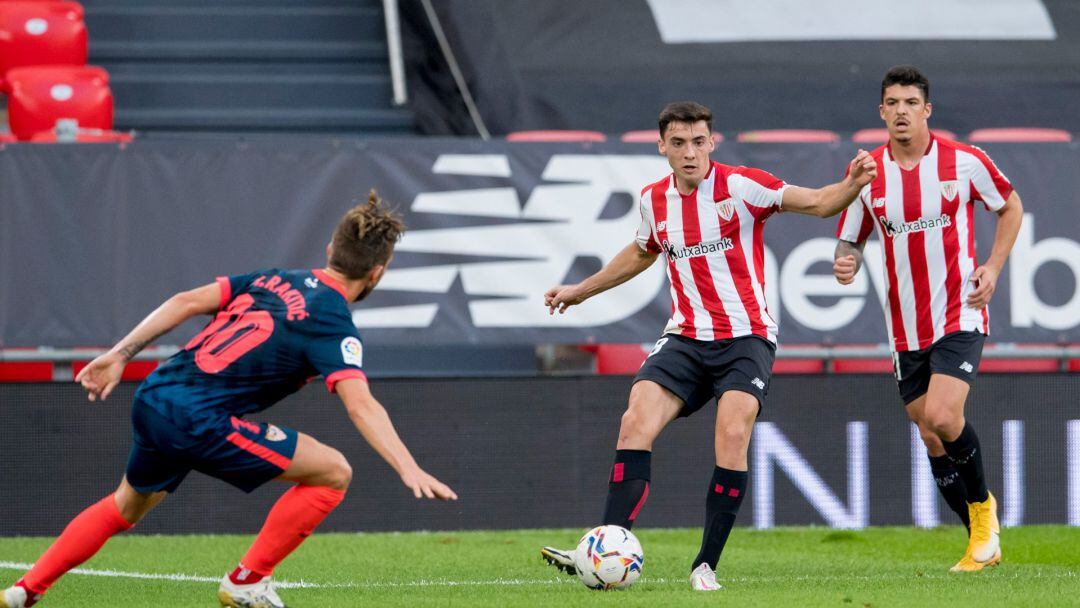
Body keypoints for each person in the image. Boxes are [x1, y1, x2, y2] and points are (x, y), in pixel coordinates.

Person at [1, 192, 458, 608]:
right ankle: (247, 581)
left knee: (125, 505)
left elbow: (185, 300)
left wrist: (120, 354)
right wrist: (407, 466)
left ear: (329, 252)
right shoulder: (332, 321)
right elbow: (361, 404)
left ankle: (24, 591)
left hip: (155, 395)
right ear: (377, 272)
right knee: (333, 473)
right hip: (196, 419)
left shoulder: (274, 279)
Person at [539, 101, 877, 591]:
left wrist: (852, 185)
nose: (690, 152)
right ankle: (605, 547)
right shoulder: (654, 200)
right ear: (663, 147)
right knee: (635, 419)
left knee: (733, 428)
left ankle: (705, 565)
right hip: (686, 337)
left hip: (746, 337)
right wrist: (579, 290)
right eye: (678, 143)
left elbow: (820, 203)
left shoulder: (741, 186)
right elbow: (641, 252)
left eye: (699, 141)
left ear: (712, 142)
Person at [833, 66, 1023, 572]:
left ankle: (983, 513)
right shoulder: (868, 172)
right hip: (905, 328)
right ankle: (981, 544)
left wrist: (994, 268)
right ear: (881, 111)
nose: (901, 111)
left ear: (927, 110)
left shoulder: (963, 162)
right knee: (930, 431)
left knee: (943, 415)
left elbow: (1010, 206)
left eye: (910, 102)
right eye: (892, 102)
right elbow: (850, 235)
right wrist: (845, 258)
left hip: (959, 310)